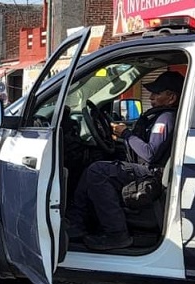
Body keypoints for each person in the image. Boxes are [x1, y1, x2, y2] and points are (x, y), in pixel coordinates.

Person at [66, 70, 185, 251]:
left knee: (98, 171)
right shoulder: (160, 116)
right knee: (93, 167)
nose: (151, 97)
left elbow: (150, 153)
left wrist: (125, 134)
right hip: (146, 167)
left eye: (157, 93)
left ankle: (116, 233)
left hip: (152, 173)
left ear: (171, 98)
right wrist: (120, 138)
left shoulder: (166, 118)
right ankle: (76, 223)